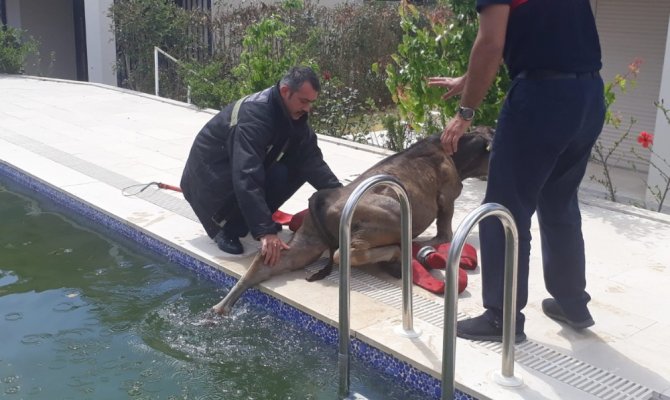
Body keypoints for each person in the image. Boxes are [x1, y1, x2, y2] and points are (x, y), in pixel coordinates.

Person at [428, 0, 605, 343]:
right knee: (559, 202)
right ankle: (572, 303)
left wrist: (465, 113)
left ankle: (501, 317)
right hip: (587, 95)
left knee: (503, 209)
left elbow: (492, 42)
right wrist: (469, 78)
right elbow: (546, 34)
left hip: (542, 98)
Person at [180, 66, 342, 265]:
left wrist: (345, 198)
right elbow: (246, 174)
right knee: (252, 179)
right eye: (304, 101)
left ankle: (249, 220)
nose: (308, 108)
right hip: (208, 179)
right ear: (285, 92)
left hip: (234, 170)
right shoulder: (254, 117)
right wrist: (264, 230)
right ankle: (225, 229)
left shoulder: (294, 115)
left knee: (296, 167)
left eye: (311, 103)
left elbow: (312, 161)